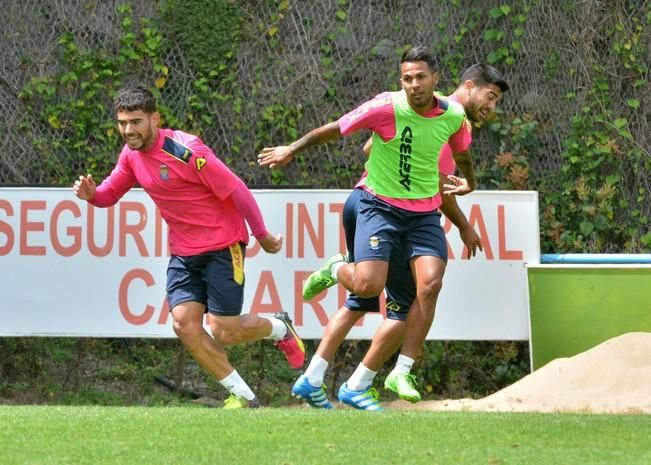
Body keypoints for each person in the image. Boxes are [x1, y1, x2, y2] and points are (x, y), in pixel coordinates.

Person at [258, 47, 479, 409]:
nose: (413, 84)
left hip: (423, 215)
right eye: (406, 78)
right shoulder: (386, 106)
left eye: (420, 76)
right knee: (366, 287)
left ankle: (400, 369)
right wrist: (292, 148)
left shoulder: (453, 115)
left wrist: (470, 182)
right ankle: (336, 269)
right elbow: (336, 128)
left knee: (432, 282)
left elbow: (464, 153)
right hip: (378, 207)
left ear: (436, 79)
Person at [73, 86, 305, 409]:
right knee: (183, 323)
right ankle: (245, 396)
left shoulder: (186, 150)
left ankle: (280, 328)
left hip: (223, 245)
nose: (128, 130)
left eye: (136, 122)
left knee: (224, 331)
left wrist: (261, 233)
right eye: (123, 123)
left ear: (155, 118)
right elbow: (110, 193)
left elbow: (235, 188)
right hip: (183, 252)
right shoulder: (131, 156)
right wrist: (92, 195)